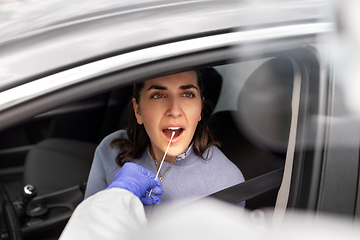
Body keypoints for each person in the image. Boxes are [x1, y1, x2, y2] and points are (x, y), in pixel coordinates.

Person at [84, 69, 245, 212]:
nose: (175, 111)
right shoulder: (111, 150)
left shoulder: (227, 182)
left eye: (187, 94)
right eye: (158, 95)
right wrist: (113, 201)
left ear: (200, 109)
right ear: (138, 110)